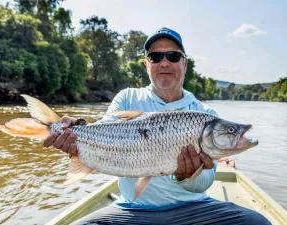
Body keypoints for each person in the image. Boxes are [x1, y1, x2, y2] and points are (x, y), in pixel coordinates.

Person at [43, 27, 271, 225]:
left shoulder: (205, 113)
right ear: (146, 64)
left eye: (172, 56)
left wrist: (185, 175)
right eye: (156, 57)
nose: (164, 62)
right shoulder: (127, 98)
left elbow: (204, 183)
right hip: (133, 211)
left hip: (194, 211)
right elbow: (104, 132)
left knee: (258, 222)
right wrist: (76, 132)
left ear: (184, 63)